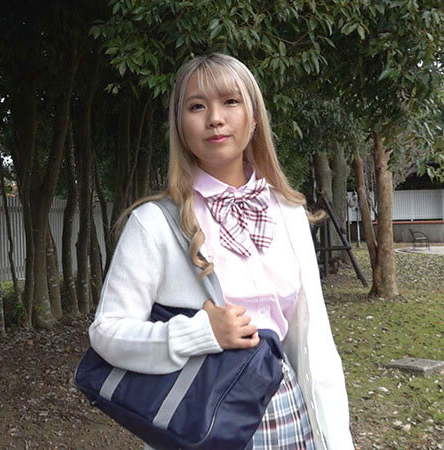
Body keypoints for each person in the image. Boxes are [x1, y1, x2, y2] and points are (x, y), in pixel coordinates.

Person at [89, 52, 354, 450]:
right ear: (180, 125)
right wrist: (199, 333)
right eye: (197, 106)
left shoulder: (288, 212)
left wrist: (336, 440)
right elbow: (106, 333)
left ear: (254, 116)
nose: (215, 118)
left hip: (287, 415)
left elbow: (313, 341)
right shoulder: (154, 223)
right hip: (201, 422)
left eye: (230, 101)